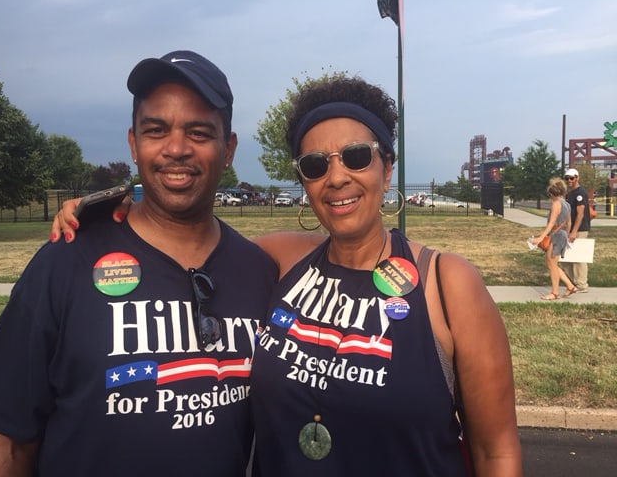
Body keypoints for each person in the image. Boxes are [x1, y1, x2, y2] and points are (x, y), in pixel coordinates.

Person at [50, 76, 522, 475]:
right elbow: (186, 248)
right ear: (305, 182)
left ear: (387, 166)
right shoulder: (279, 259)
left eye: (356, 156)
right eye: (315, 165)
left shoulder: (446, 282)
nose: (336, 178)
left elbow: (494, 448)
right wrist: (107, 212)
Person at [0, 50, 277, 476]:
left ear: (228, 149)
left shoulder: (259, 271)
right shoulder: (65, 261)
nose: (176, 148)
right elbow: (3, 439)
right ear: (134, 144)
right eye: (156, 130)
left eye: (199, 132)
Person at [531, 178, 576, 300]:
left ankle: (555, 293)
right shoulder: (567, 204)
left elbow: (551, 224)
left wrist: (540, 238)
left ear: (551, 192)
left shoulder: (556, 204)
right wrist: (566, 236)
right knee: (550, 263)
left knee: (552, 264)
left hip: (556, 235)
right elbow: (569, 222)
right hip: (562, 234)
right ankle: (570, 285)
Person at [561, 168, 590, 292]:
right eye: (567, 178)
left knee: (578, 258)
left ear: (577, 178)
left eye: (571, 178)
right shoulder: (570, 193)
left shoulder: (580, 193)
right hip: (569, 228)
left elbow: (580, 214)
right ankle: (573, 281)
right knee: (566, 258)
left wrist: (573, 231)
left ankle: (581, 284)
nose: (569, 180)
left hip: (579, 229)